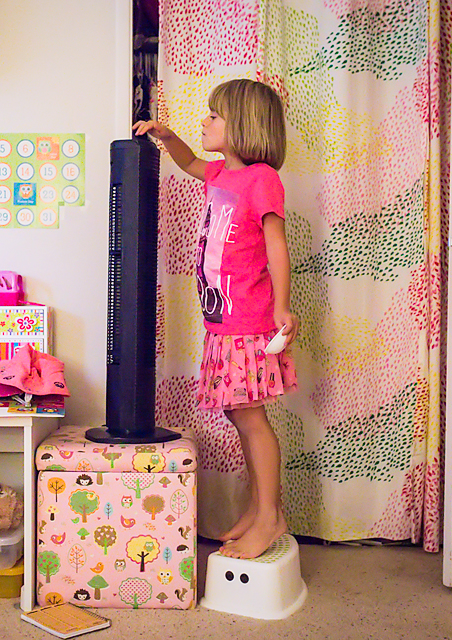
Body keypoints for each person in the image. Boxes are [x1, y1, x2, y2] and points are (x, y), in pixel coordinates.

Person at [133, 78, 299, 559]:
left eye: (214, 114)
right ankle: (257, 507)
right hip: (220, 321)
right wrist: (166, 136)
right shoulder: (220, 176)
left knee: (250, 417)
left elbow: (276, 247)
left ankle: (269, 516)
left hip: (249, 320)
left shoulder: (262, 179)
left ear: (243, 125)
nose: (204, 121)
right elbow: (187, 162)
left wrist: (282, 308)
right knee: (236, 411)